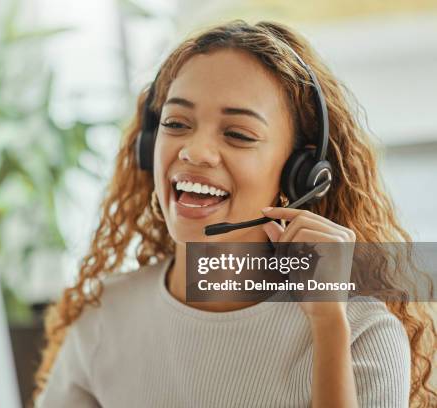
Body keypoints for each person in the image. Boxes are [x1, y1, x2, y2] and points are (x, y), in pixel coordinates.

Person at [33, 20, 435, 407]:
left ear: (302, 174)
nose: (194, 151)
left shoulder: (359, 329)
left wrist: (328, 324)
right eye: (176, 123)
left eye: (237, 134)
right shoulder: (108, 316)